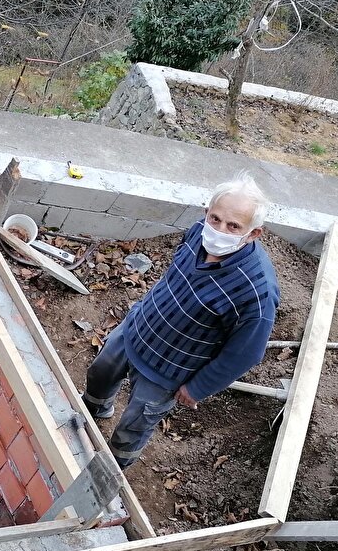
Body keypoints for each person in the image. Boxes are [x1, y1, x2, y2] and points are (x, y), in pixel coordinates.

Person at [81, 172, 281, 470]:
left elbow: (246, 353)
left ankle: (108, 469)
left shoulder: (256, 291)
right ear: (206, 213)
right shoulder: (199, 231)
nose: (219, 230)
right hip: (139, 328)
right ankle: (93, 411)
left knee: (134, 425)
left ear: (253, 233)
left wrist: (198, 388)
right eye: (215, 218)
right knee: (100, 373)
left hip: (168, 370)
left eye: (233, 226)